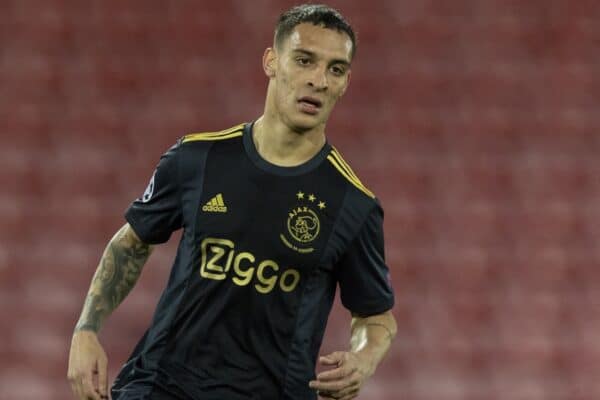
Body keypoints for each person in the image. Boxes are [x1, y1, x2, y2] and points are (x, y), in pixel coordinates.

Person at [68, 4, 397, 400]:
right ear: (271, 62)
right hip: (162, 386)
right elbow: (131, 244)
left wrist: (364, 357)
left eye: (335, 69)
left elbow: (376, 316)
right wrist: (86, 330)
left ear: (345, 83)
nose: (319, 81)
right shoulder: (197, 159)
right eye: (305, 61)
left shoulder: (352, 204)